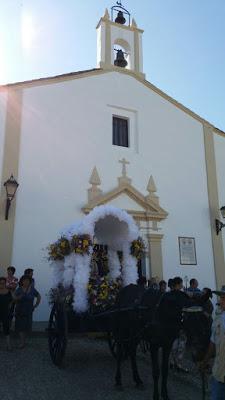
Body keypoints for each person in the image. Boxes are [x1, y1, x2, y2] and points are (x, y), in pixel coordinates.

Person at [200, 286, 225, 400]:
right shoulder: (219, 319)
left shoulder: (218, 318)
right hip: (220, 372)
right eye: (221, 298)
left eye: (223, 298)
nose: (220, 301)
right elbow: (213, 344)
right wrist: (205, 362)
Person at [13, 275, 41, 348]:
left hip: (29, 310)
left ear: (30, 282)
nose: (26, 282)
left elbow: (38, 296)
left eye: (27, 280)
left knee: (26, 326)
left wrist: (36, 305)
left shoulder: (32, 289)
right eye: (24, 280)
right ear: (22, 281)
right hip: (20, 310)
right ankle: (22, 342)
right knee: (20, 326)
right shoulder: (19, 289)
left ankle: (23, 341)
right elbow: (14, 297)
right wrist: (18, 298)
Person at [0, 277, 13, 350]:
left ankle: (8, 345)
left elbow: (13, 299)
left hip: (5, 312)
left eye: (3, 283)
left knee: (6, 329)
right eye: (0, 283)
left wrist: (10, 304)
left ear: (5, 283)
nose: (2, 284)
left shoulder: (9, 292)